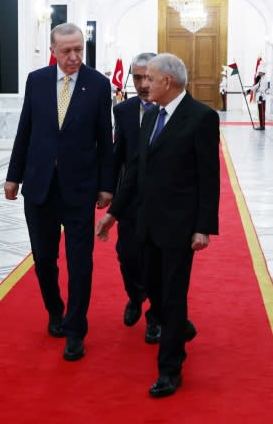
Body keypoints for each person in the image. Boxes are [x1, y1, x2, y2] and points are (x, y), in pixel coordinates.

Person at [96, 53, 219, 397]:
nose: (143, 85)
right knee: (151, 285)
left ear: (168, 81)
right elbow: (134, 172)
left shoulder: (202, 118)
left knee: (173, 293)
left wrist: (203, 227)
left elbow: (209, 178)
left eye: (149, 78)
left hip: (180, 226)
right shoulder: (150, 117)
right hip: (145, 222)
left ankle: (170, 368)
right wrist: (113, 213)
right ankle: (180, 327)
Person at [5, 22, 113, 361]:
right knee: (43, 261)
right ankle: (56, 311)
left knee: (80, 262)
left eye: (79, 49)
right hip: (39, 187)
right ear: (53, 51)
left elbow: (105, 141)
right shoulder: (36, 81)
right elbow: (25, 130)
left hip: (79, 187)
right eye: (66, 51)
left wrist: (107, 186)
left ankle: (76, 329)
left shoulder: (97, 84)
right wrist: (13, 176)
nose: (74, 57)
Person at [112, 52, 159, 335]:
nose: (142, 84)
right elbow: (118, 155)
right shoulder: (124, 110)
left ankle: (155, 314)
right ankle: (135, 295)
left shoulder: (171, 109)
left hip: (162, 200)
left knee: (156, 258)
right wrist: (107, 189)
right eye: (137, 77)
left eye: (148, 77)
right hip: (129, 198)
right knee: (126, 254)